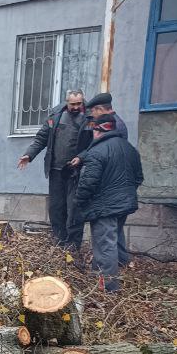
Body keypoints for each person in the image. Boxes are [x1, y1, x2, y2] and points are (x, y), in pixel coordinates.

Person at [75, 116, 143, 294]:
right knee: (107, 243)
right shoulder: (130, 149)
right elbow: (138, 178)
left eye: (93, 131)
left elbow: (88, 183)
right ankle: (97, 280)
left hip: (105, 207)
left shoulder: (97, 151)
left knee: (106, 246)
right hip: (124, 205)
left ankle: (109, 290)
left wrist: (78, 202)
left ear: (98, 131)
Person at [17, 89, 89, 250]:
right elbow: (42, 138)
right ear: (66, 102)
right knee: (56, 209)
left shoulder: (89, 117)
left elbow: (94, 145)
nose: (76, 107)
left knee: (74, 210)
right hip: (56, 170)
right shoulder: (55, 115)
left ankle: (73, 247)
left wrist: (82, 157)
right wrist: (29, 155)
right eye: (73, 104)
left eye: (79, 103)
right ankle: (59, 242)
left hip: (76, 173)